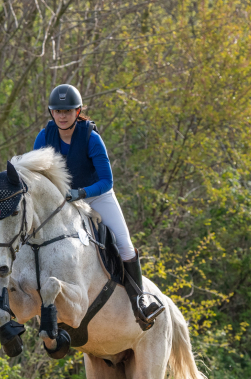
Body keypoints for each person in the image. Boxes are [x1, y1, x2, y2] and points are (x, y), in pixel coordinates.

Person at [33, 84, 164, 331]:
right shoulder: (44, 137)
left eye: (67, 111)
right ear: (52, 112)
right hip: (63, 199)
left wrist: (81, 193)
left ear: (78, 111)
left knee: (124, 244)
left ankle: (140, 301)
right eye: (58, 111)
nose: (62, 116)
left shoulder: (91, 138)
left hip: (96, 196)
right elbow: (36, 177)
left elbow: (107, 181)